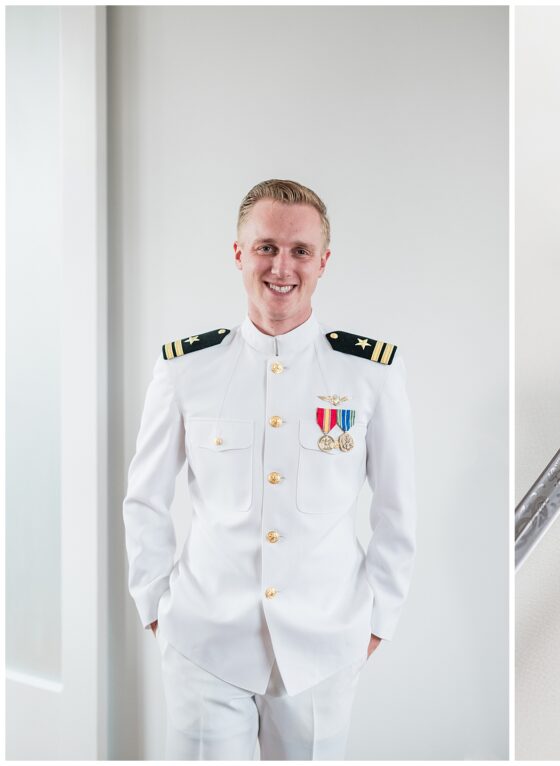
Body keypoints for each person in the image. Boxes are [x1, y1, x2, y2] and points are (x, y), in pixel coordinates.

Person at [122, 179, 416, 759]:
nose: (282, 266)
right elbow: (145, 499)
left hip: (324, 643)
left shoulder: (369, 373)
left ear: (323, 262)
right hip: (204, 641)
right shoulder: (187, 369)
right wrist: (157, 609)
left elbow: (396, 507)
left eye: (300, 251)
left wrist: (377, 618)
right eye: (266, 247)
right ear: (239, 253)